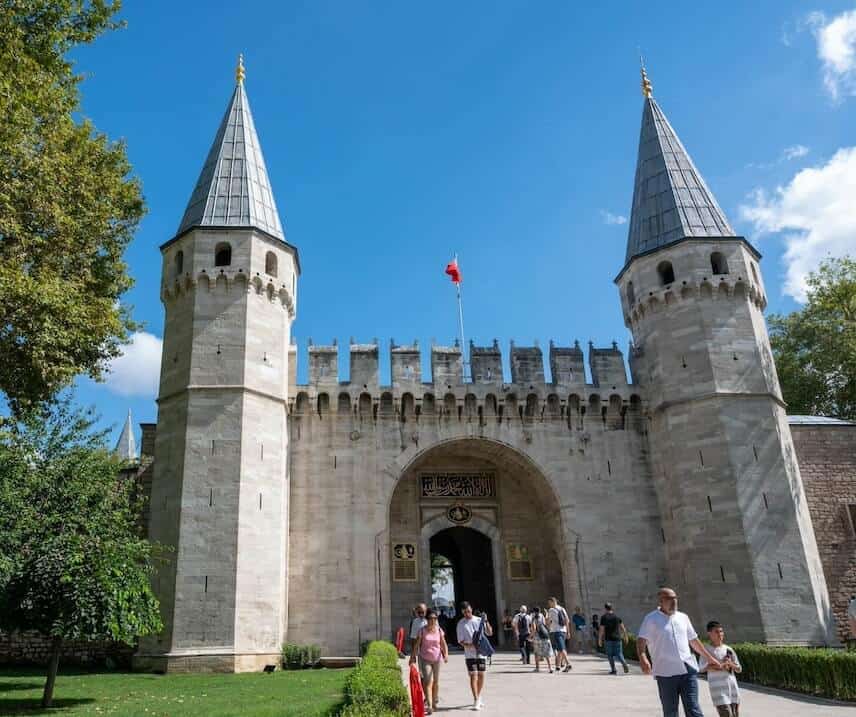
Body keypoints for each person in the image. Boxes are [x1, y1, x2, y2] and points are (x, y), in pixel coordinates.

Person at [637, 587, 722, 717]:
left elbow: (694, 640)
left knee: (693, 708)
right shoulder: (651, 619)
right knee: (670, 711)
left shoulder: (683, 617)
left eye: (675, 598)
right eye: (670, 599)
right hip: (665, 673)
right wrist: (643, 657)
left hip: (688, 670)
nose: (674, 601)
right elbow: (641, 640)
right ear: (660, 601)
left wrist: (710, 659)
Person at [410, 609, 449, 715]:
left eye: (435, 618)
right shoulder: (422, 630)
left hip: (437, 658)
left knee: (436, 682)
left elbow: (443, 643)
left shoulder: (439, 630)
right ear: (427, 620)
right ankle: (430, 705)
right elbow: (417, 645)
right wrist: (412, 657)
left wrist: (446, 654)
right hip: (425, 658)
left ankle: (435, 700)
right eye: (431, 618)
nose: (433, 620)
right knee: (428, 681)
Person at [699, 621, 741, 717]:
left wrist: (730, 664)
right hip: (718, 690)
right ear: (709, 633)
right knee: (726, 714)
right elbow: (701, 669)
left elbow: (739, 669)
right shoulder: (706, 650)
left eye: (721, 631)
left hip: (732, 688)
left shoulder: (728, 649)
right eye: (717, 632)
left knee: (735, 715)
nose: (720, 634)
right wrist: (718, 666)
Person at [456, 601, 493, 711]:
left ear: (471, 608)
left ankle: (479, 695)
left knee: (481, 675)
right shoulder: (461, 624)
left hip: (481, 653)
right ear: (462, 612)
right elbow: (460, 641)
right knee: (473, 676)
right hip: (470, 654)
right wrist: (471, 645)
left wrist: (486, 621)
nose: (468, 613)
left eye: (469, 610)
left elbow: (490, 633)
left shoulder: (479, 620)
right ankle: (476, 699)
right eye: (466, 611)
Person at [598, 602, 629, 674]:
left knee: (610, 655)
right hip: (617, 639)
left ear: (605, 609)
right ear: (612, 608)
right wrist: (626, 637)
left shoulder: (604, 617)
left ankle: (613, 670)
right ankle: (624, 663)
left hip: (608, 639)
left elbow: (601, 629)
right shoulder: (617, 617)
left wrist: (599, 639)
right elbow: (623, 628)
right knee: (619, 654)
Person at [546, 597, 572, 672]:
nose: (549, 604)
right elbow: (567, 620)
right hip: (563, 630)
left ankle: (568, 663)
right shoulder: (562, 609)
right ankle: (557, 666)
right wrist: (568, 631)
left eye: (549, 602)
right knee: (560, 649)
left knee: (561, 648)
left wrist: (546, 616)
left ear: (552, 602)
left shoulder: (551, 610)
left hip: (555, 631)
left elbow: (548, 622)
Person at [529, 606, 555, 673]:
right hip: (544, 636)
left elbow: (534, 630)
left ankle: (537, 668)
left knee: (536, 653)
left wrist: (530, 637)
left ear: (534, 612)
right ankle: (550, 667)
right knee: (546, 653)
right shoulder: (542, 616)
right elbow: (546, 624)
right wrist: (546, 614)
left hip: (537, 638)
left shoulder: (533, 619)